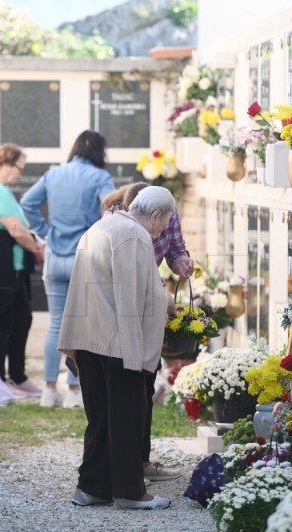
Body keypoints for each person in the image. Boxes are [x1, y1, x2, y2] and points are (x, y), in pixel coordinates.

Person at [58, 186, 175, 510]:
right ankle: (129, 492)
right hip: (116, 342)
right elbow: (132, 296)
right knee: (126, 417)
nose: (161, 231)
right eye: (163, 225)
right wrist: (138, 351)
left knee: (101, 418)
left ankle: (93, 487)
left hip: (90, 337)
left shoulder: (103, 226)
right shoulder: (134, 235)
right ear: (154, 215)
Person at [20, 131, 115, 409]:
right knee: (80, 326)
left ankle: (48, 390)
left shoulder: (53, 174)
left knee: (56, 325)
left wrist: (45, 232)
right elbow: (111, 209)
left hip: (54, 256)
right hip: (83, 256)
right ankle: (74, 390)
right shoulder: (100, 177)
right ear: (99, 151)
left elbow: (27, 202)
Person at [122, 182, 195, 484]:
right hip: (127, 306)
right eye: (162, 221)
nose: (163, 227)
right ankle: (125, 464)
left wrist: (183, 264)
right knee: (128, 386)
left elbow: (176, 253)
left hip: (153, 305)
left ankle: (141, 461)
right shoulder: (118, 222)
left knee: (146, 384)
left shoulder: (169, 214)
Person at [0, 143, 44, 399]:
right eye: (18, 168)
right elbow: (16, 230)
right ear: (5, 162)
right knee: (1, 322)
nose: (19, 175)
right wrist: (37, 249)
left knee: (21, 319)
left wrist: (32, 244)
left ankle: (17, 377)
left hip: (12, 266)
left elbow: (20, 228)